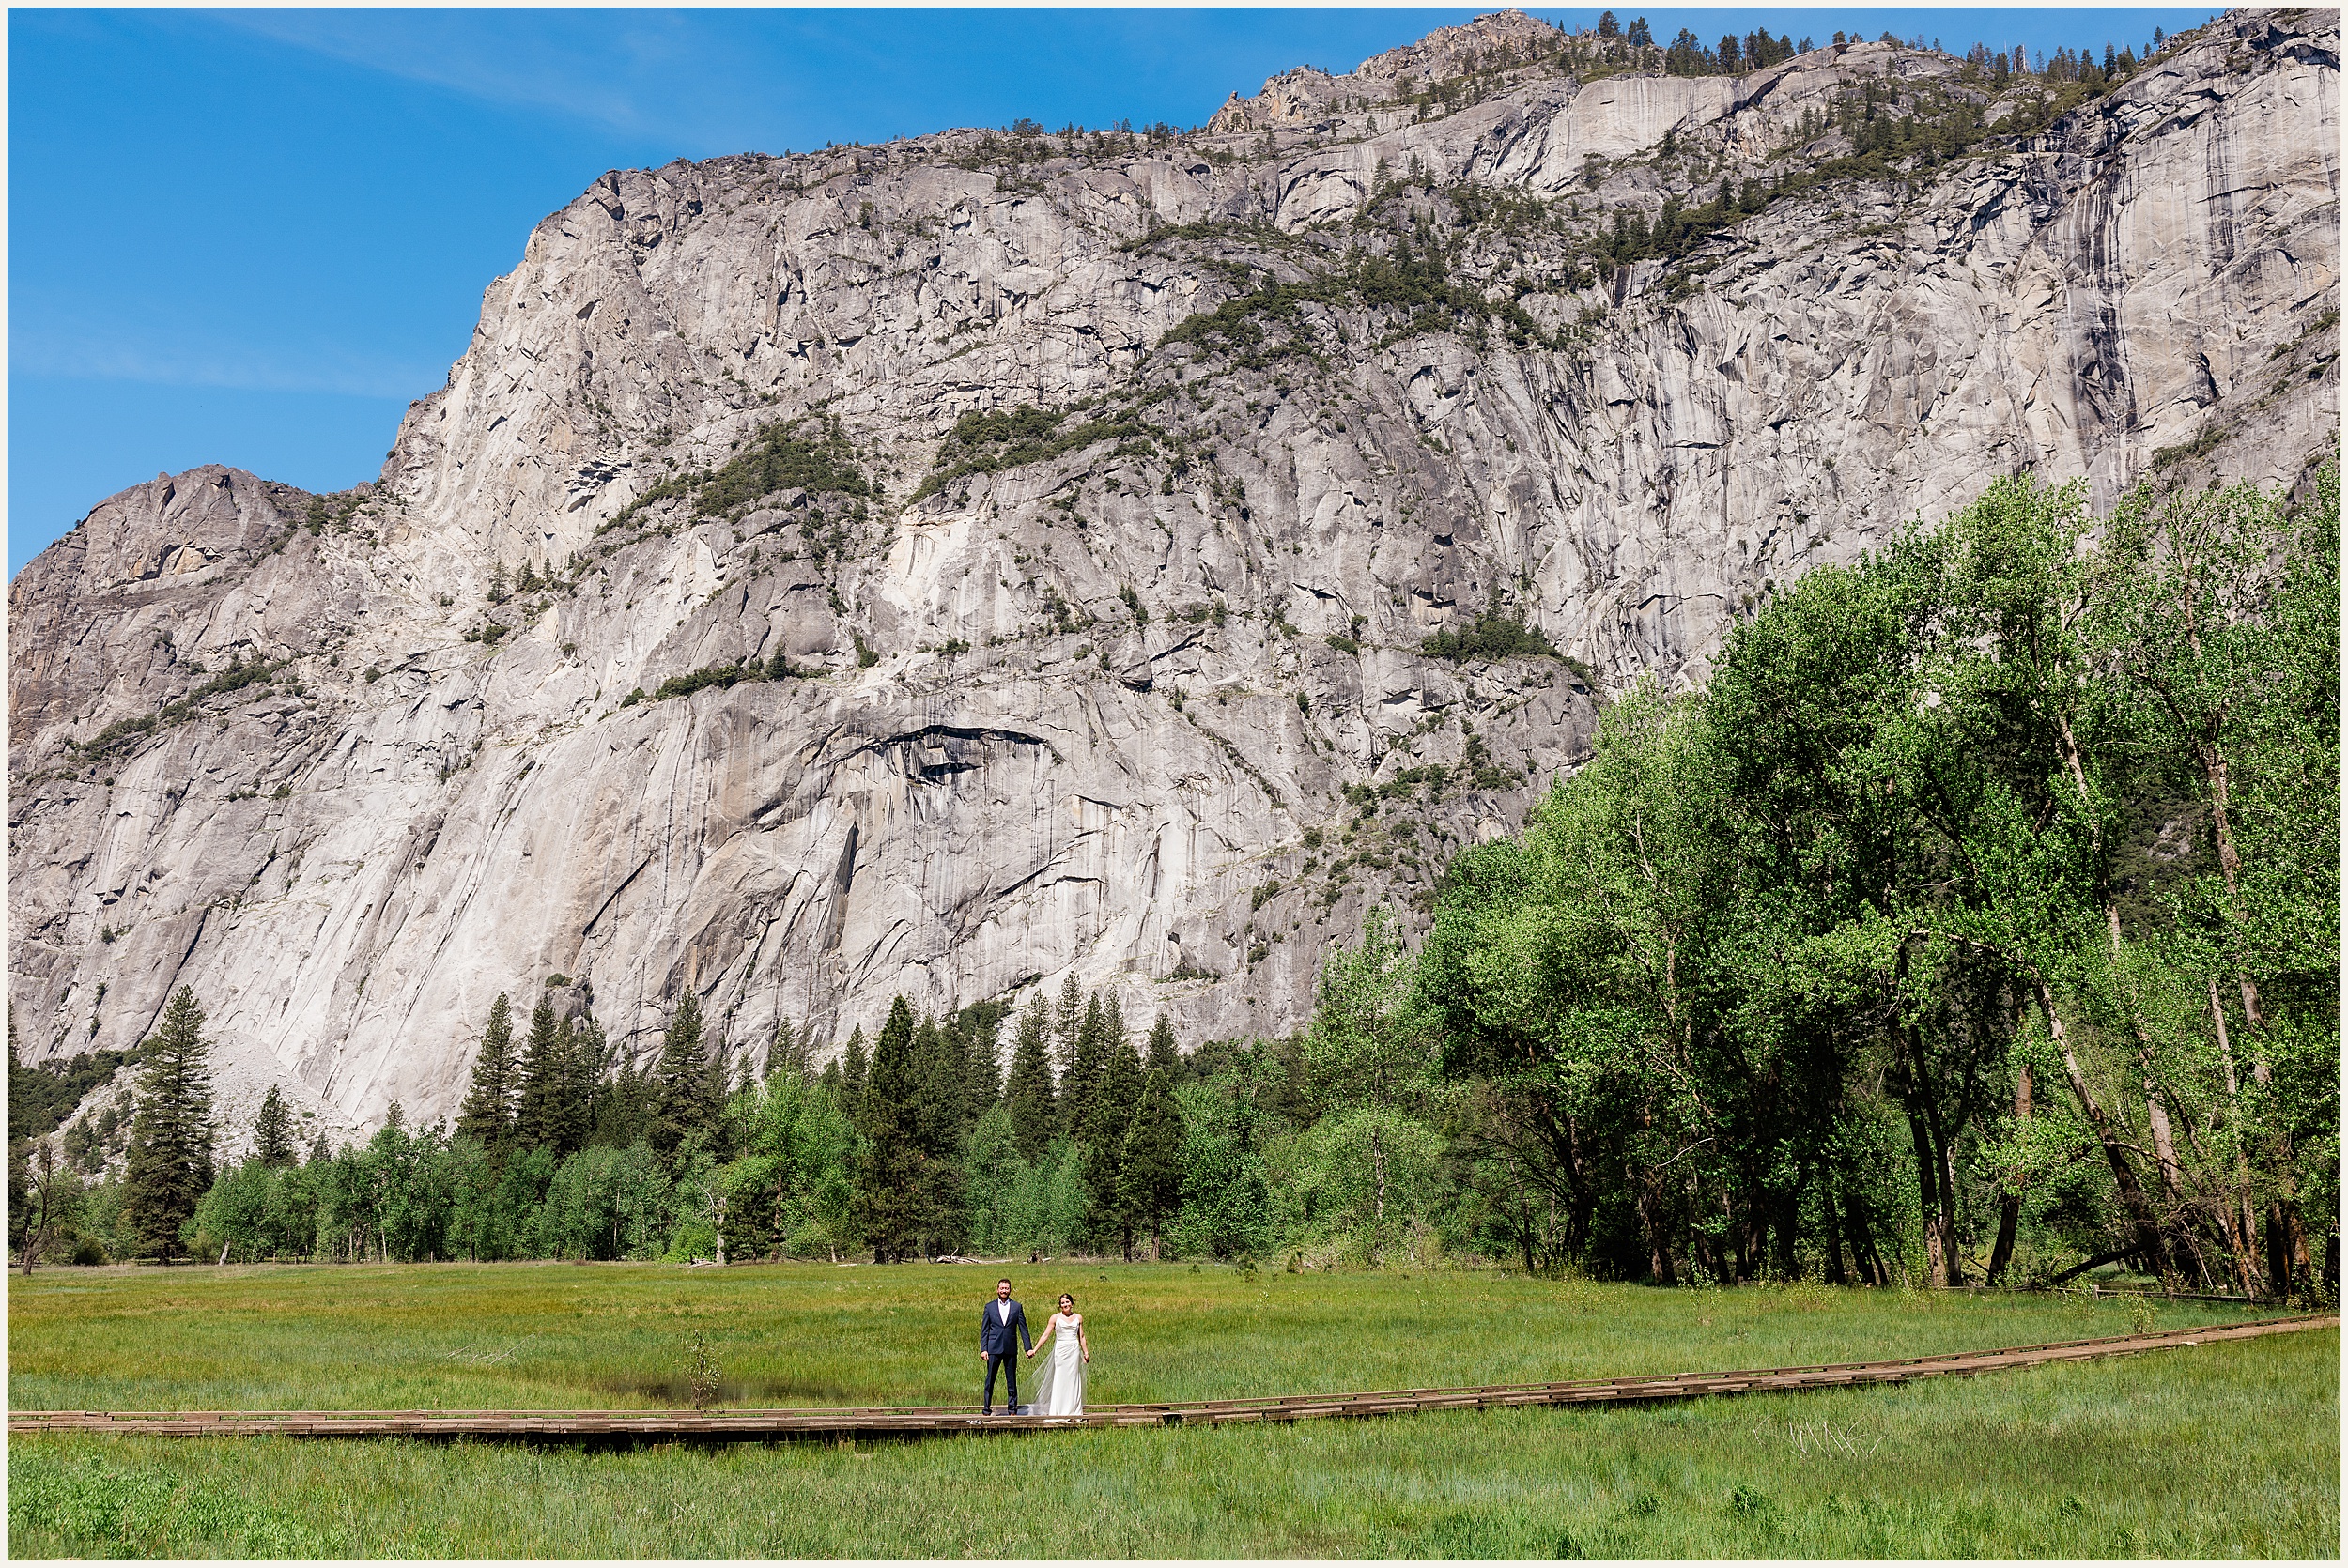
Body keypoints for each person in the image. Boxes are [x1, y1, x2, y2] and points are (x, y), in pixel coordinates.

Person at [1024, 1291, 1089, 1418]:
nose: (1065, 1305)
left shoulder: (1078, 1318)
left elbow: (1081, 1336)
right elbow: (1045, 1335)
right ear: (1060, 1306)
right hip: (1061, 1351)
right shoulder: (1055, 1318)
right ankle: (1058, 1410)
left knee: (1073, 1379)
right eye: (1062, 1303)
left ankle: (1073, 1410)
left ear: (1072, 1303)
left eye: (1067, 1302)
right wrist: (1034, 1350)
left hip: (1073, 1350)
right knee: (1061, 1378)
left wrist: (1085, 1352)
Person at [979, 1277, 1031, 1415]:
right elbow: (984, 1330)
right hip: (993, 1348)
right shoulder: (989, 1307)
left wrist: (1028, 1347)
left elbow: (1023, 1328)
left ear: (1010, 1290)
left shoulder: (1017, 1307)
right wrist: (984, 1349)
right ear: (997, 1290)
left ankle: (1012, 1409)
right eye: (1002, 1288)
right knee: (990, 1379)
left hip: (1010, 1348)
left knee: (1011, 1380)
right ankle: (986, 1408)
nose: (1004, 1290)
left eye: (1006, 1288)